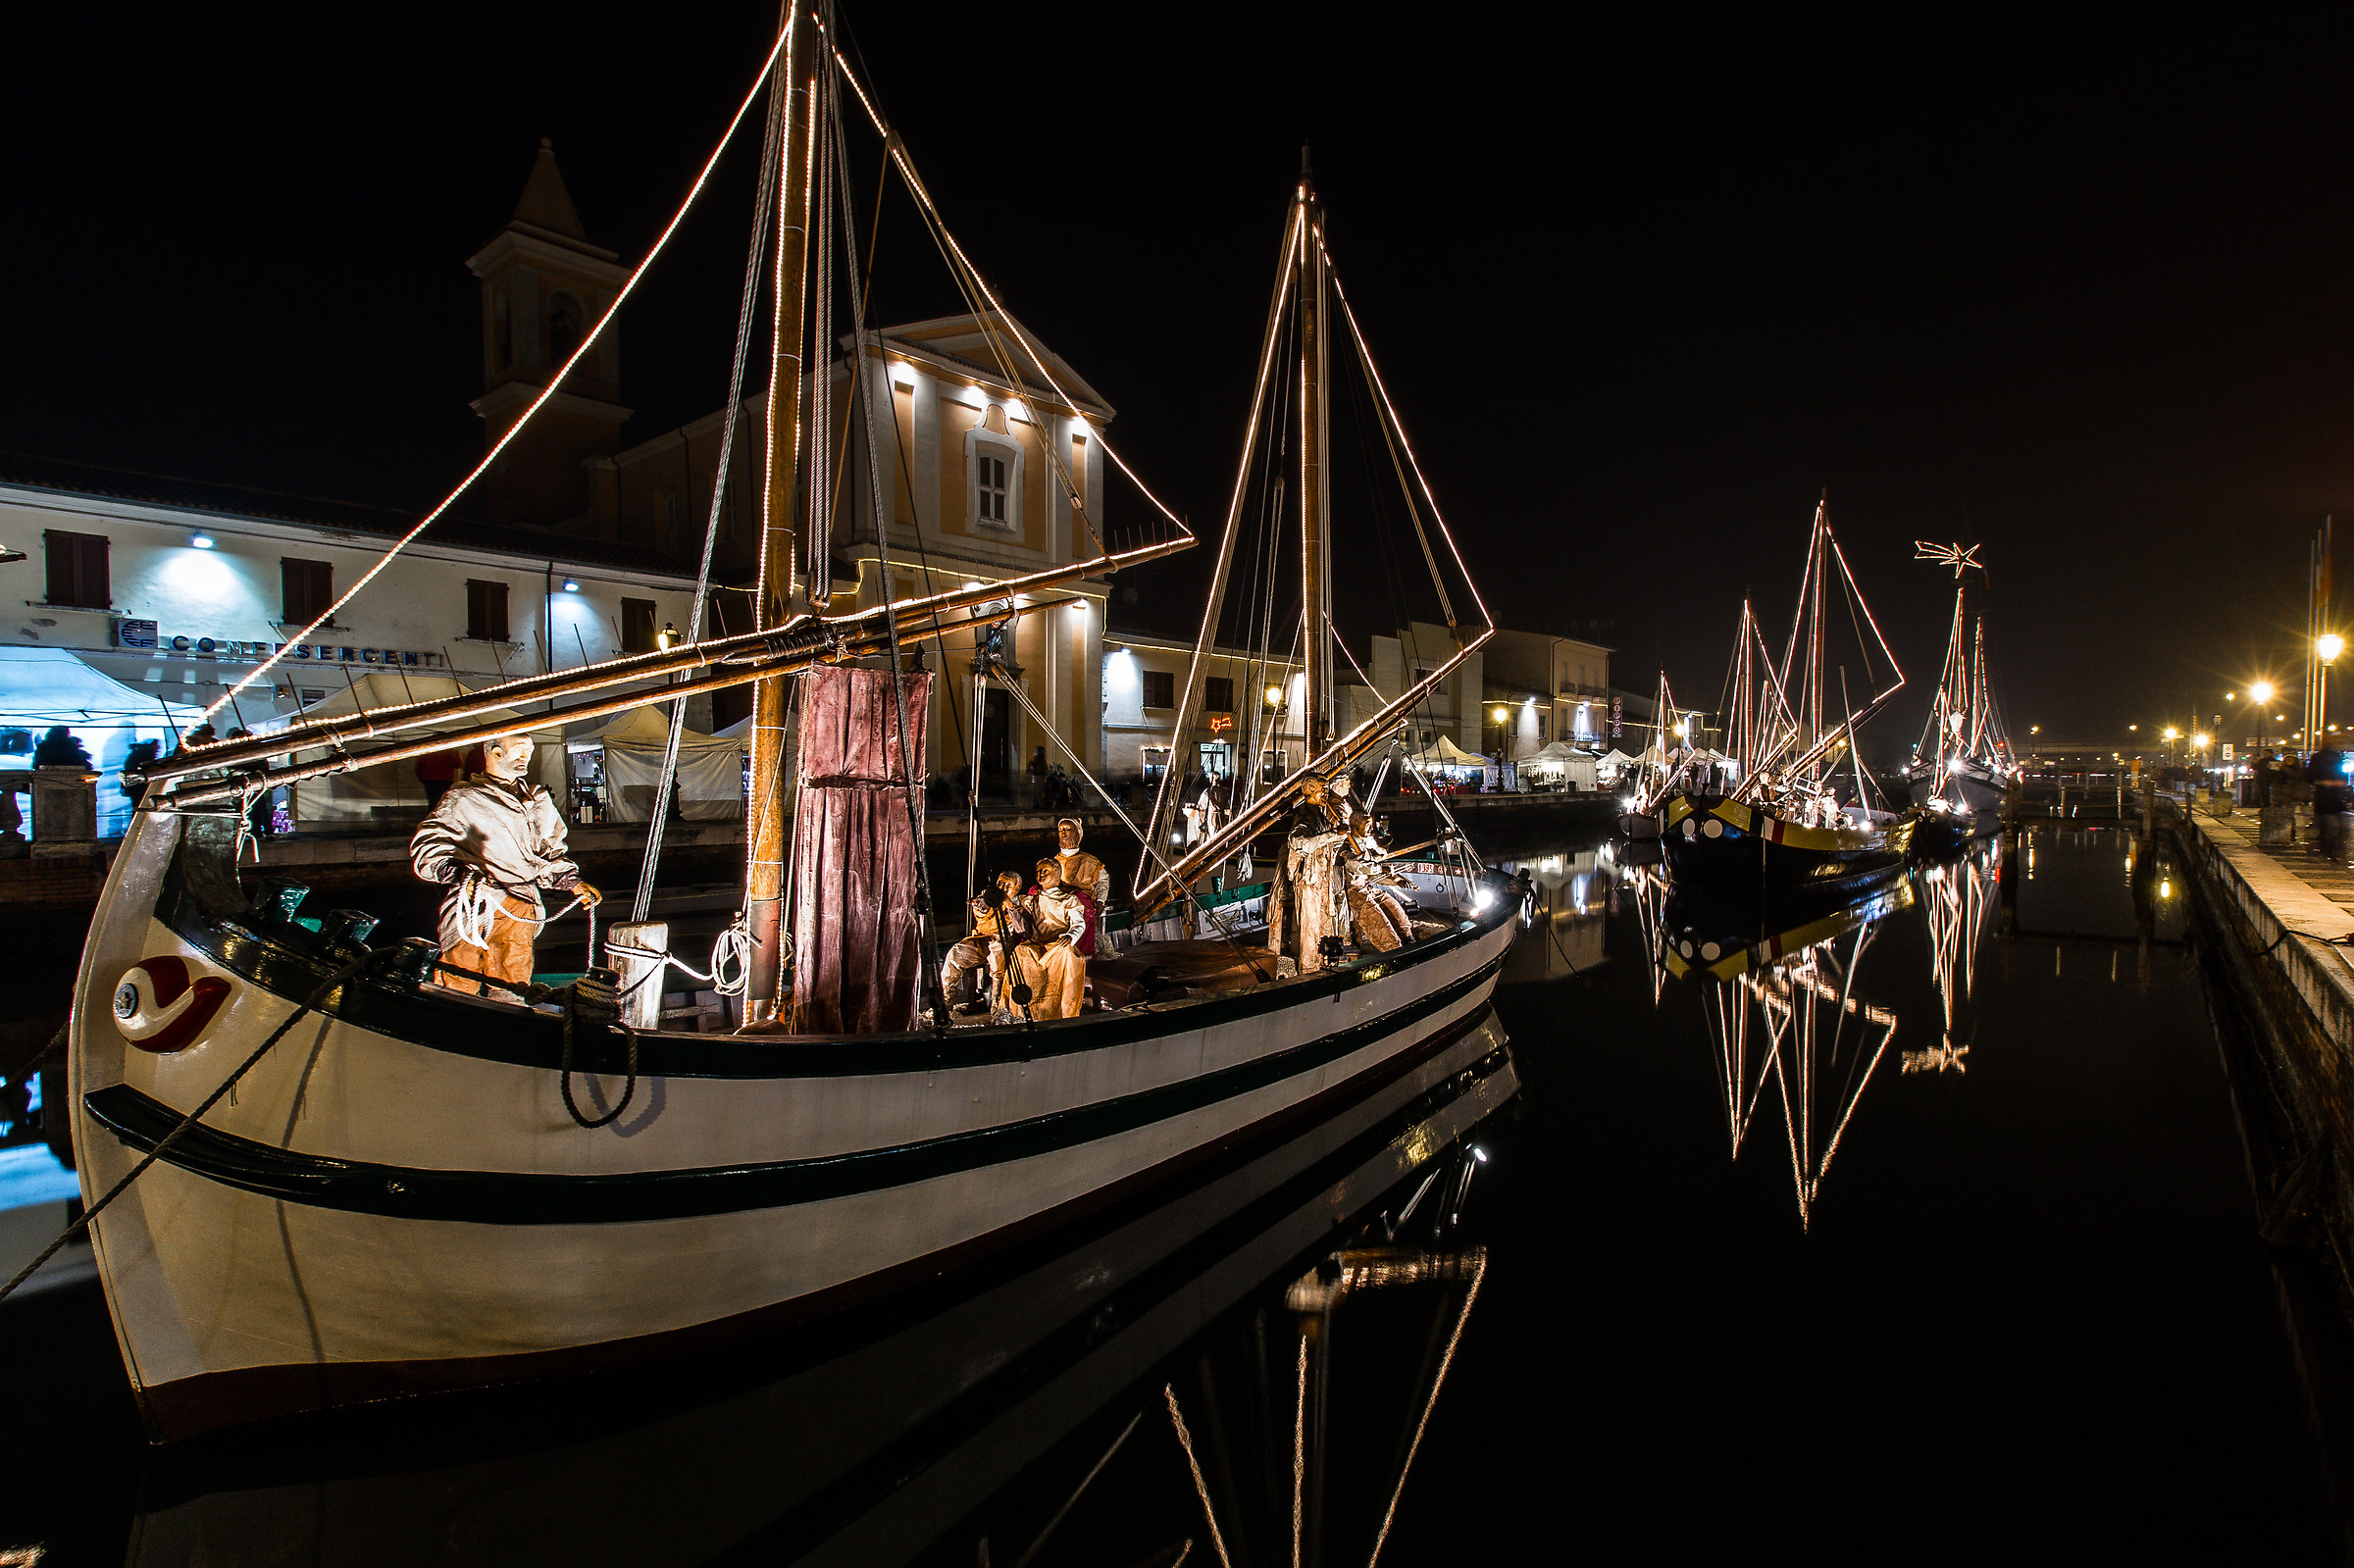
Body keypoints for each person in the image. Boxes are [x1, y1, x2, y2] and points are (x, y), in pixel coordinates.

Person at [410, 732, 599, 1000]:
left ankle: (508, 1022)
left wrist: (571, 882)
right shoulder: (463, 798)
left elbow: (550, 848)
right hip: (474, 904)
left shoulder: (537, 798)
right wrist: (456, 873)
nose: (527, 756)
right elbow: (428, 845)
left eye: (529, 749)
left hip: (520, 903)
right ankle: (454, 1021)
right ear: (496, 752)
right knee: (459, 976)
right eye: (520, 749)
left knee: (512, 980)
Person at [943, 871, 1027, 1018]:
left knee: (997, 954)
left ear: (1016, 889)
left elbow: (1023, 928)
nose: (1003, 888)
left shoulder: (1021, 903)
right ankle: (946, 1004)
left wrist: (1008, 904)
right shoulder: (990, 898)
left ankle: (996, 1004)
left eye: (1008, 885)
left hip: (1006, 943)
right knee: (956, 953)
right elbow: (982, 910)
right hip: (983, 939)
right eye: (1000, 883)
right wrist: (979, 905)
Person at [1015, 857, 1089, 1020]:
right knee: (1020, 951)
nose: (1041, 874)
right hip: (1038, 945)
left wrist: (1071, 936)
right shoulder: (1032, 900)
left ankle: (1064, 1012)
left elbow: (1078, 923)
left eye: (1045, 871)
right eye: (1039, 872)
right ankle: (1021, 1010)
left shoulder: (1068, 900)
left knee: (1067, 955)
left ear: (1056, 876)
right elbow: (1011, 901)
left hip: (1058, 945)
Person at [1053, 817, 1110, 953]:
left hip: (1081, 898)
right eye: (1061, 829)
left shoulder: (1090, 862)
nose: (1063, 832)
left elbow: (1103, 881)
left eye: (1067, 829)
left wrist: (1101, 900)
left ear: (1076, 833)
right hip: (1059, 898)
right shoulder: (1054, 862)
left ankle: (1084, 952)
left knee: (1083, 908)